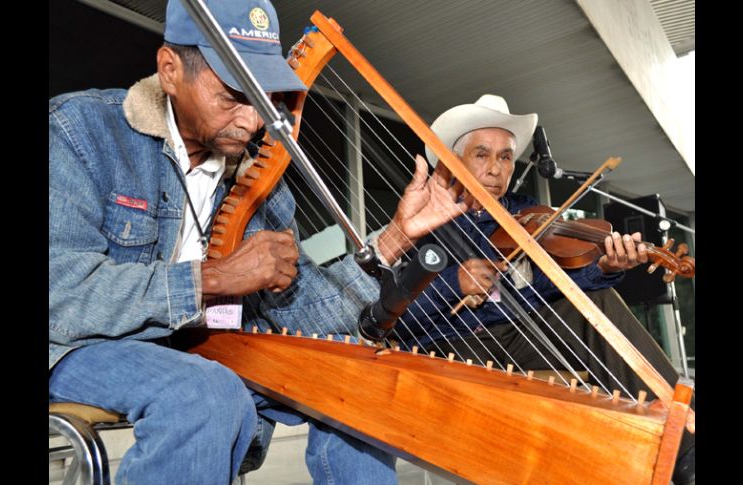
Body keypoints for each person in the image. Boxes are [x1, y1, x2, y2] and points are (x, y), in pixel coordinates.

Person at [48, 0, 468, 483]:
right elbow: (61, 294)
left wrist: (398, 235)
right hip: (74, 346)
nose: (252, 121)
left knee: (353, 380)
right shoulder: (79, 131)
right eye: (232, 95)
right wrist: (215, 278)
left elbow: (303, 314)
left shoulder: (260, 179)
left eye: (266, 100)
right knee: (204, 393)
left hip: (197, 354)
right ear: (169, 70)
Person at [393, 95, 695, 484]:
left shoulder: (526, 211)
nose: (495, 168)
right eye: (481, 154)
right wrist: (454, 283)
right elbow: (398, 320)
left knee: (598, 300)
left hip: (519, 332)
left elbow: (550, 287)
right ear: (455, 161)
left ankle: (686, 447)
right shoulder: (425, 221)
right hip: (456, 344)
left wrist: (602, 267)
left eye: (505, 157)